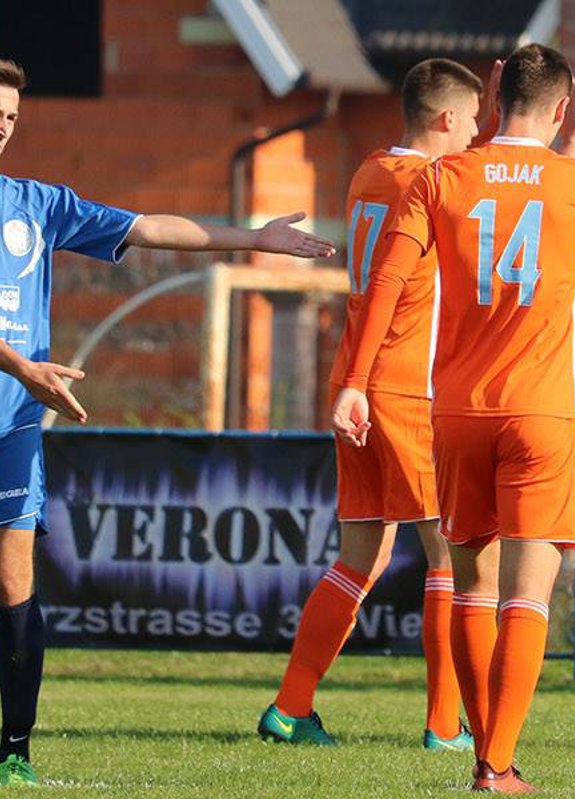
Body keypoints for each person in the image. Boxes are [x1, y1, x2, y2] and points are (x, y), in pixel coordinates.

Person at [0, 58, 335, 787]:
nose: (3, 127)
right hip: (26, 388)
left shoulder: (34, 204)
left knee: (14, 584)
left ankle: (14, 751)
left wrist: (253, 238)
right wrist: (22, 366)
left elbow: (148, 226)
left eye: (11, 118)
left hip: (14, 425)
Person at [332, 44, 575, 793]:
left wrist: (355, 382)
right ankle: (495, 764)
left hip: (455, 412)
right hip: (540, 411)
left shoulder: (443, 175)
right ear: (564, 109)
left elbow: (386, 281)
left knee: (471, 586)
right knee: (528, 594)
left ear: (497, 94)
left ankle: (483, 752)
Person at [258, 57, 490, 751]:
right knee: (448, 554)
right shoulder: (429, 182)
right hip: (405, 381)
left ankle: (291, 706)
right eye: (472, 120)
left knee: (361, 554)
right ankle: (444, 722)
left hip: (355, 379)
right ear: (445, 118)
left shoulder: (369, 170)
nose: (477, 134)